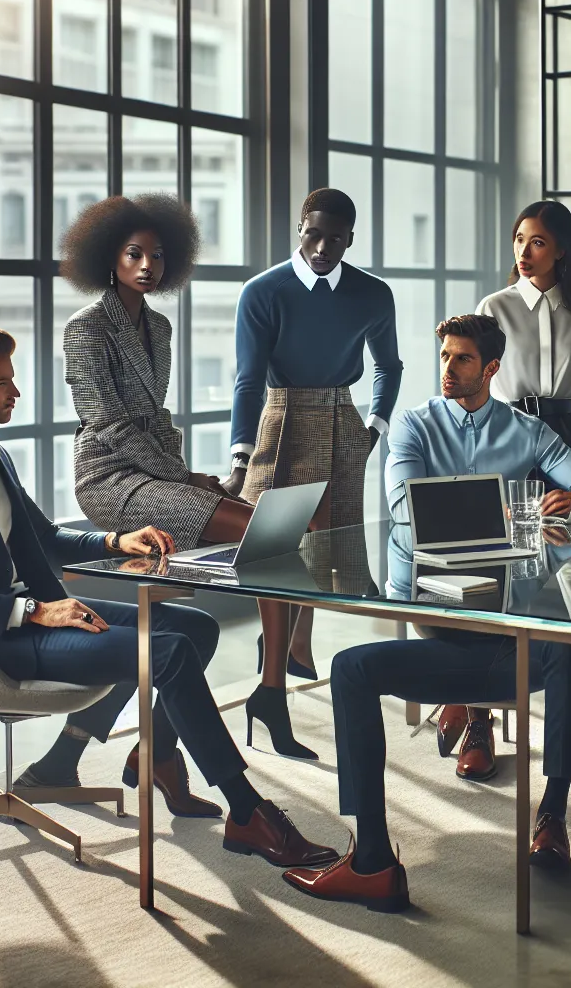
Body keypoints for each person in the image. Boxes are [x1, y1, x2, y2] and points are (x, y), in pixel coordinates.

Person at [0, 328, 338, 870]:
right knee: (167, 652)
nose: (16, 393)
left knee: (195, 627)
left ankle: (154, 756)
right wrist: (34, 611)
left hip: (34, 614)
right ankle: (248, 812)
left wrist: (116, 541)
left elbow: (44, 537)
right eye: (2, 383)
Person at [283, 316, 571, 910]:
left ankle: (552, 815)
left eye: (463, 359)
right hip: (436, 605)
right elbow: (406, 507)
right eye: (446, 357)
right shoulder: (415, 424)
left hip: (510, 622)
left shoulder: (526, 430)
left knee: (570, 641)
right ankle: (372, 858)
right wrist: (511, 509)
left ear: (491, 368)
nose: (448, 369)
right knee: (352, 666)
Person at [58, 195, 322, 762]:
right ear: (108, 257)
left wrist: (189, 477)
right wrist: (183, 477)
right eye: (134, 254)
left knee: (278, 534)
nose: (147, 265)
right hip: (108, 477)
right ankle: (266, 698)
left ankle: (269, 688)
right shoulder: (85, 328)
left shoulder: (159, 326)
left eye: (157, 255)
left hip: (156, 471)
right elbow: (106, 423)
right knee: (264, 535)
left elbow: (156, 416)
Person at [224, 187, 403, 755]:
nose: (323, 248)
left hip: (343, 423)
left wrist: (373, 428)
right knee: (275, 552)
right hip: (282, 422)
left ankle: (292, 651)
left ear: (351, 239)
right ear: (300, 229)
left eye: (336, 239)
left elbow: (389, 365)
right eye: (313, 234)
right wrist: (239, 455)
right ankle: (273, 683)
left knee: (327, 551)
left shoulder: (373, 293)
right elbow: (248, 380)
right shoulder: (263, 291)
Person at [476, 201, 571, 456]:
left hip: (570, 435)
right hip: (508, 433)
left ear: (560, 250)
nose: (523, 252)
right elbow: (475, 382)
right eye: (519, 239)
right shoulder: (493, 308)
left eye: (537, 243)